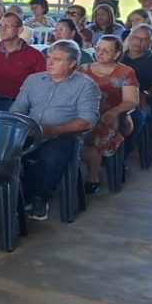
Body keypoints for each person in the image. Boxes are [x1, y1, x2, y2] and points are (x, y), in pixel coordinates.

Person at [9, 40, 101, 221]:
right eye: (49, 57)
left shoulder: (86, 86)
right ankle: (18, 194)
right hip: (32, 131)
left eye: (57, 59)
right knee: (7, 149)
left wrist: (52, 130)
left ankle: (39, 198)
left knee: (50, 156)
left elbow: (87, 121)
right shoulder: (34, 80)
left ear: (72, 63)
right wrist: (24, 124)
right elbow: (18, 108)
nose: (49, 62)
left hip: (64, 135)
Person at [79, 35, 139, 194]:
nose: (100, 53)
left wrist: (114, 111)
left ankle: (93, 178)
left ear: (117, 54)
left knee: (97, 135)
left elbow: (132, 101)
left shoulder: (126, 72)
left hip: (115, 115)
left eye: (106, 50)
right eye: (98, 49)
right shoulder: (83, 69)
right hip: (85, 112)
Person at [0, 13, 47, 112]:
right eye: (0, 26)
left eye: (8, 26)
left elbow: (44, 85)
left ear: (19, 30)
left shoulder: (35, 55)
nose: (2, 29)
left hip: (15, 103)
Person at [121, 25, 152, 160]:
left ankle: (123, 154)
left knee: (134, 116)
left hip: (145, 100)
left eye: (144, 39)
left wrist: (144, 94)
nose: (138, 42)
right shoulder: (119, 56)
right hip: (117, 98)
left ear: (150, 43)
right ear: (130, 38)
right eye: (135, 38)